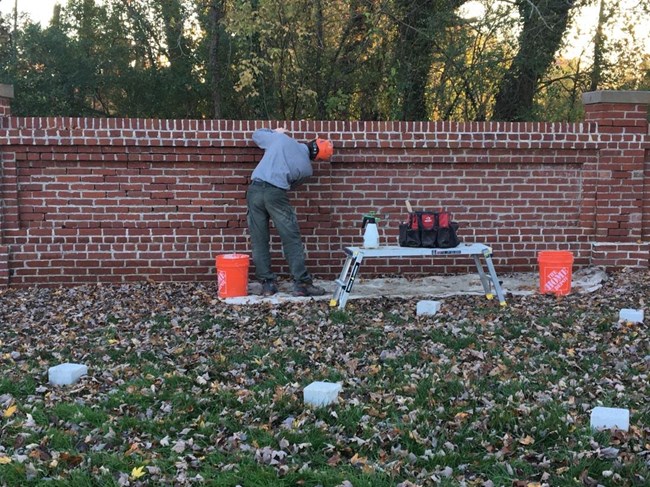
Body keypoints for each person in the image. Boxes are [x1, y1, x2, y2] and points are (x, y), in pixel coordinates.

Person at [247, 127, 334, 297]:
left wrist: (274, 132)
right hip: (276, 193)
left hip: (255, 190)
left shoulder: (282, 139)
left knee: (259, 238)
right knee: (291, 238)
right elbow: (291, 185)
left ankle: (267, 284)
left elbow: (256, 135)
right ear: (316, 158)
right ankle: (301, 284)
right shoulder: (307, 169)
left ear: (311, 142)